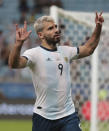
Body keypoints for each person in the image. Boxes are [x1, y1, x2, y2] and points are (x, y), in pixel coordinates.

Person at [8, 12, 104, 131]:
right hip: (43, 116)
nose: (56, 30)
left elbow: (89, 48)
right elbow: (14, 64)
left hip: (68, 115)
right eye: (50, 28)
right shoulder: (34, 54)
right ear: (41, 35)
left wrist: (98, 26)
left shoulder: (66, 51)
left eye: (55, 27)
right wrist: (18, 44)